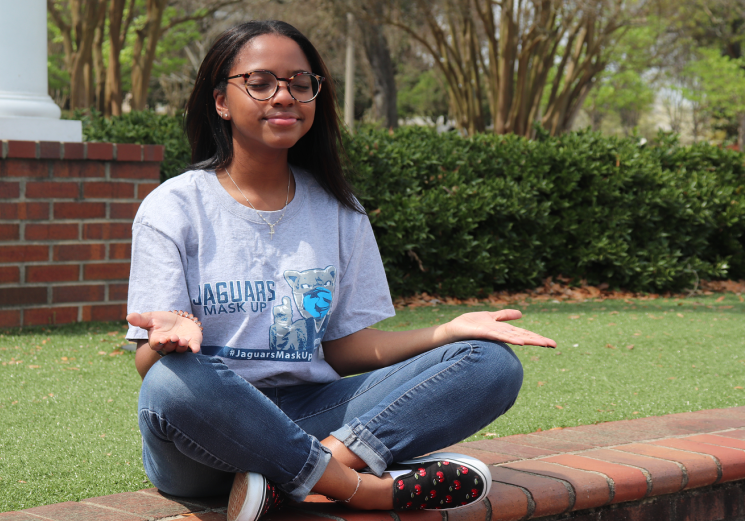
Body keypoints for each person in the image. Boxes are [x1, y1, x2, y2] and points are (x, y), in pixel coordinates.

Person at [125, 20, 556, 521]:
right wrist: (166, 342)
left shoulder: (338, 210)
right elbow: (149, 368)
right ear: (221, 101)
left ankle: (290, 479)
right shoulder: (173, 208)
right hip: (206, 436)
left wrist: (447, 331)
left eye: (299, 83)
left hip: (312, 413)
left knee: (491, 363)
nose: (283, 96)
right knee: (170, 380)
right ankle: (360, 488)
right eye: (260, 83)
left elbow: (343, 348)